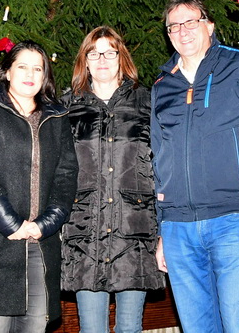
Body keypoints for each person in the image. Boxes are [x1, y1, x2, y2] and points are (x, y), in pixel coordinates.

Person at [150, 0, 239, 333]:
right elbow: (157, 160)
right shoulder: (161, 85)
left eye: (191, 21)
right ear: (168, 34)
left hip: (233, 222)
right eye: (174, 26)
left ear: (209, 25)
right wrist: (162, 229)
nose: (183, 31)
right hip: (179, 229)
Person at [0, 40, 78, 333]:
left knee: (35, 326)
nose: (30, 74)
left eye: (38, 68)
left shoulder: (57, 118)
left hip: (39, 244)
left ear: (45, 75)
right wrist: (12, 224)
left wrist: (44, 224)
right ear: (7, 72)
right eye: (22, 66)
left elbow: (66, 174)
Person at [61, 26, 165, 333]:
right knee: (91, 329)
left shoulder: (148, 102)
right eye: (94, 52)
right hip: (84, 231)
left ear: (122, 58)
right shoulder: (67, 107)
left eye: (110, 52)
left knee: (130, 327)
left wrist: (166, 229)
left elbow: (164, 166)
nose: (102, 59)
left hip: (135, 232)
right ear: (85, 61)